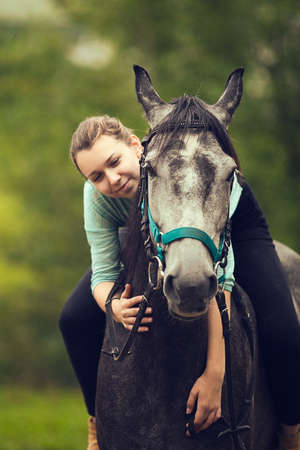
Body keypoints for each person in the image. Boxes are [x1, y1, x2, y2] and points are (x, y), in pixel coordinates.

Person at [59, 115, 300, 450]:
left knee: (284, 327)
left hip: (225, 219)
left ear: (134, 146)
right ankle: (97, 424)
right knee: (72, 319)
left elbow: (220, 278)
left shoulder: (177, 171)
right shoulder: (99, 197)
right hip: (148, 233)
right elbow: (103, 271)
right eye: (96, 176)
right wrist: (112, 305)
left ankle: (291, 429)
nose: (111, 179)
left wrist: (215, 374)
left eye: (114, 162)